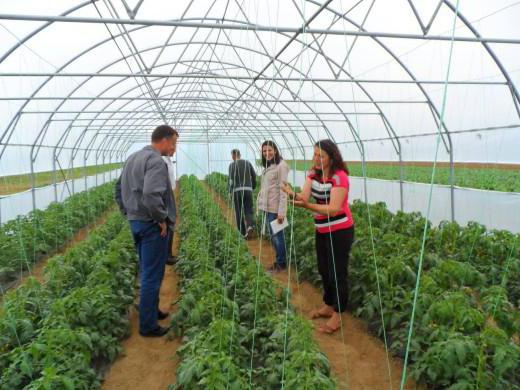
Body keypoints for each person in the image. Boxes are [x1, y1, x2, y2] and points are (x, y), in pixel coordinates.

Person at [283, 139, 354, 334]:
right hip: (321, 229)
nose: (316, 159)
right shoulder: (313, 174)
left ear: (331, 158)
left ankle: (338, 315)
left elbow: (333, 209)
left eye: (321, 156)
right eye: (314, 154)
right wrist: (293, 195)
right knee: (324, 269)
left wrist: (306, 206)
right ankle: (328, 305)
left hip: (340, 231)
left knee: (337, 272)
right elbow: (304, 198)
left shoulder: (340, 178)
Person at [115, 125, 178, 337]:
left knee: (146, 270)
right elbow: (152, 194)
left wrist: (128, 214)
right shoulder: (156, 162)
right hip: (151, 226)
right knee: (153, 274)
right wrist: (160, 218)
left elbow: (118, 190)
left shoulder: (132, 158)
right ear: (165, 140)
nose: (174, 148)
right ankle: (148, 325)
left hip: (137, 223)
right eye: (174, 143)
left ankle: (151, 310)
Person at [257, 140, 289, 272]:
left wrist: (281, 212)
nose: (267, 153)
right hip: (268, 206)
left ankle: (281, 263)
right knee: (274, 235)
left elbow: (283, 190)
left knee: (277, 235)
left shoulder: (281, 165)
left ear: (275, 150)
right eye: (264, 151)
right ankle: (280, 260)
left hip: (276, 208)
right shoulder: (270, 165)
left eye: (270, 150)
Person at [228, 149, 256, 239]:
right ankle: (250, 226)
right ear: (240, 155)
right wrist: (253, 186)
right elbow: (254, 175)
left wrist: (229, 191)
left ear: (233, 156)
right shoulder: (248, 163)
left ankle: (243, 233)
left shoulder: (232, 165)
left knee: (238, 211)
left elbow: (231, 181)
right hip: (248, 190)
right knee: (248, 209)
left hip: (237, 191)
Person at [162, 152, 177, 265]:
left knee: (170, 225)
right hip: (165, 195)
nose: (174, 148)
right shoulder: (162, 160)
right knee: (168, 224)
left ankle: (168, 254)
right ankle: (166, 255)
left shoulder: (167, 160)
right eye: (173, 144)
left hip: (168, 193)